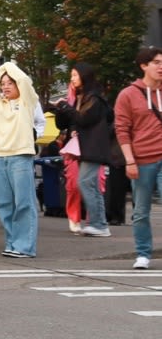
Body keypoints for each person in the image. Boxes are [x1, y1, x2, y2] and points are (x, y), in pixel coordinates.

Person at [0, 60, 41, 258]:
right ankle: (12, 242)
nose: (5, 86)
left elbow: (24, 79)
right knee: (4, 204)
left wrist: (8, 65)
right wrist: (2, 72)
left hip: (20, 156)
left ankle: (24, 246)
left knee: (24, 203)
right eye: (3, 83)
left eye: (10, 83)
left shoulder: (27, 101)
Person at [113, 46, 162, 269]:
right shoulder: (128, 94)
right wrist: (130, 160)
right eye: (157, 63)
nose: (161, 67)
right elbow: (122, 130)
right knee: (141, 210)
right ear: (144, 65)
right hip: (142, 159)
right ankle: (143, 253)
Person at [52, 63, 113, 239]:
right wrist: (62, 109)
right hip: (88, 147)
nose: (72, 79)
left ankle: (98, 224)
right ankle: (99, 224)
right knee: (89, 183)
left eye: (75, 75)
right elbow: (75, 120)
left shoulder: (94, 98)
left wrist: (66, 107)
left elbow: (84, 119)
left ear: (85, 76)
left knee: (86, 182)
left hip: (94, 147)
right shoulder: (84, 97)